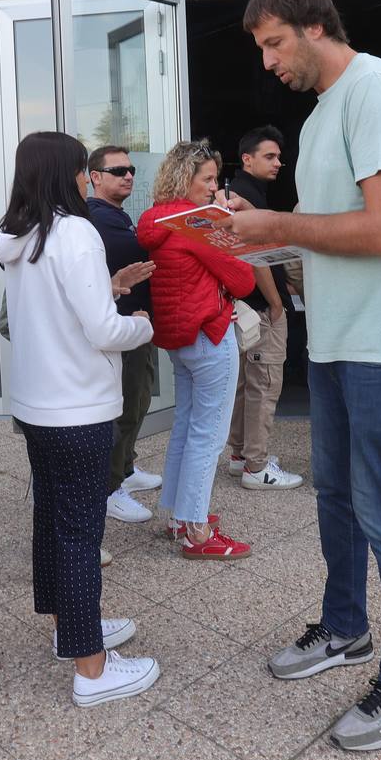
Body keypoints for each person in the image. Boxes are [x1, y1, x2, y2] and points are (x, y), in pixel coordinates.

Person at [222, 0, 381, 751]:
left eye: (273, 43)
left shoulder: (379, 90)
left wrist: (277, 220)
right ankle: (347, 630)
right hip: (339, 337)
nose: (267, 63)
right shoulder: (325, 113)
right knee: (336, 498)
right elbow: (333, 231)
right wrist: (257, 236)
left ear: (313, 26)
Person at [0, 131, 160, 707]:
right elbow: (103, 331)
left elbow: (54, 310)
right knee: (81, 531)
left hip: (37, 407)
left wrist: (111, 288)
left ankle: (70, 627)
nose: (90, 179)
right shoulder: (77, 232)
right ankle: (92, 669)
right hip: (80, 409)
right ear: (71, 175)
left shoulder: (16, 236)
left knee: (52, 520)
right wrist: (143, 325)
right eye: (84, 171)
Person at [138, 140, 256, 560]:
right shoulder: (197, 224)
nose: (212, 187)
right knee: (210, 434)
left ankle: (177, 516)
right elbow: (244, 282)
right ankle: (197, 531)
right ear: (185, 178)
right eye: (206, 179)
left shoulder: (153, 220)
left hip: (178, 339)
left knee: (187, 427)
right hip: (209, 334)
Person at [223, 127, 304, 490]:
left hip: (245, 308)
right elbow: (254, 258)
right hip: (259, 308)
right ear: (247, 159)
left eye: (279, 156)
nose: (278, 163)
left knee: (247, 384)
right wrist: (275, 304)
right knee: (264, 385)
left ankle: (241, 456)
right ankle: (256, 467)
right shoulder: (243, 196)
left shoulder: (243, 193)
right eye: (269, 156)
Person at [87, 145, 162, 524]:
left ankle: (126, 471)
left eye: (131, 169)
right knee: (125, 409)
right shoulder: (94, 217)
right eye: (118, 170)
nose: (129, 175)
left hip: (135, 327)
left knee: (138, 402)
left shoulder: (118, 216)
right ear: (95, 177)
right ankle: (109, 488)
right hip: (118, 331)